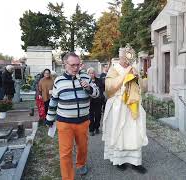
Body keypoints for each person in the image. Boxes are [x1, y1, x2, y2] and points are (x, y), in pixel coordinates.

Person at [45, 52, 99, 180]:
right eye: (73, 65)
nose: (76, 68)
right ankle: (68, 177)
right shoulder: (59, 81)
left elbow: (97, 94)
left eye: (78, 65)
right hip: (65, 123)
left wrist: (89, 89)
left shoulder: (86, 77)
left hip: (83, 121)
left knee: (83, 147)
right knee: (65, 153)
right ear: (65, 65)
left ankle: (81, 164)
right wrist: (49, 119)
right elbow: (53, 101)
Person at [102, 45, 148, 174]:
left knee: (134, 132)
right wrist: (125, 76)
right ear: (121, 57)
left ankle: (136, 162)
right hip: (118, 105)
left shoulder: (134, 68)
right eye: (125, 57)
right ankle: (119, 160)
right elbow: (109, 87)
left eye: (129, 57)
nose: (127, 60)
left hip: (132, 104)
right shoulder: (113, 69)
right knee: (119, 132)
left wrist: (137, 78)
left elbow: (142, 88)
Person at [87, 67, 103, 136]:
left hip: (98, 101)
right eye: (90, 73)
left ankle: (97, 127)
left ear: (95, 73)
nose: (91, 74)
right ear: (88, 74)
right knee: (90, 116)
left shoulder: (99, 80)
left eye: (93, 73)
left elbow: (102, 90)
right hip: (89, 102)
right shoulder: (86, 81)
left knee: (98, 115)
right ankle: (91, 129)